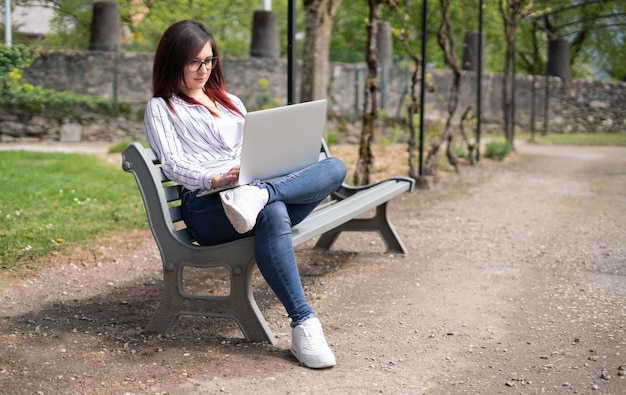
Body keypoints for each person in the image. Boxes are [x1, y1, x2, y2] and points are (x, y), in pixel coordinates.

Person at [144, 20, 347, 369]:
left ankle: (262, 193)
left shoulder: (230, 101)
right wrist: (218, 177)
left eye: (210, 61)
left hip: (250, 190)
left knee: (335, 166)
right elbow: (174, 165)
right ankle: (305, 323)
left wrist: (267, 166)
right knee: (274, 212)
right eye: (195, 62)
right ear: (174, 61)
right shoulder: (162, 108)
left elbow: (254, 146)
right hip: (208, 207)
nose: (204, 69)